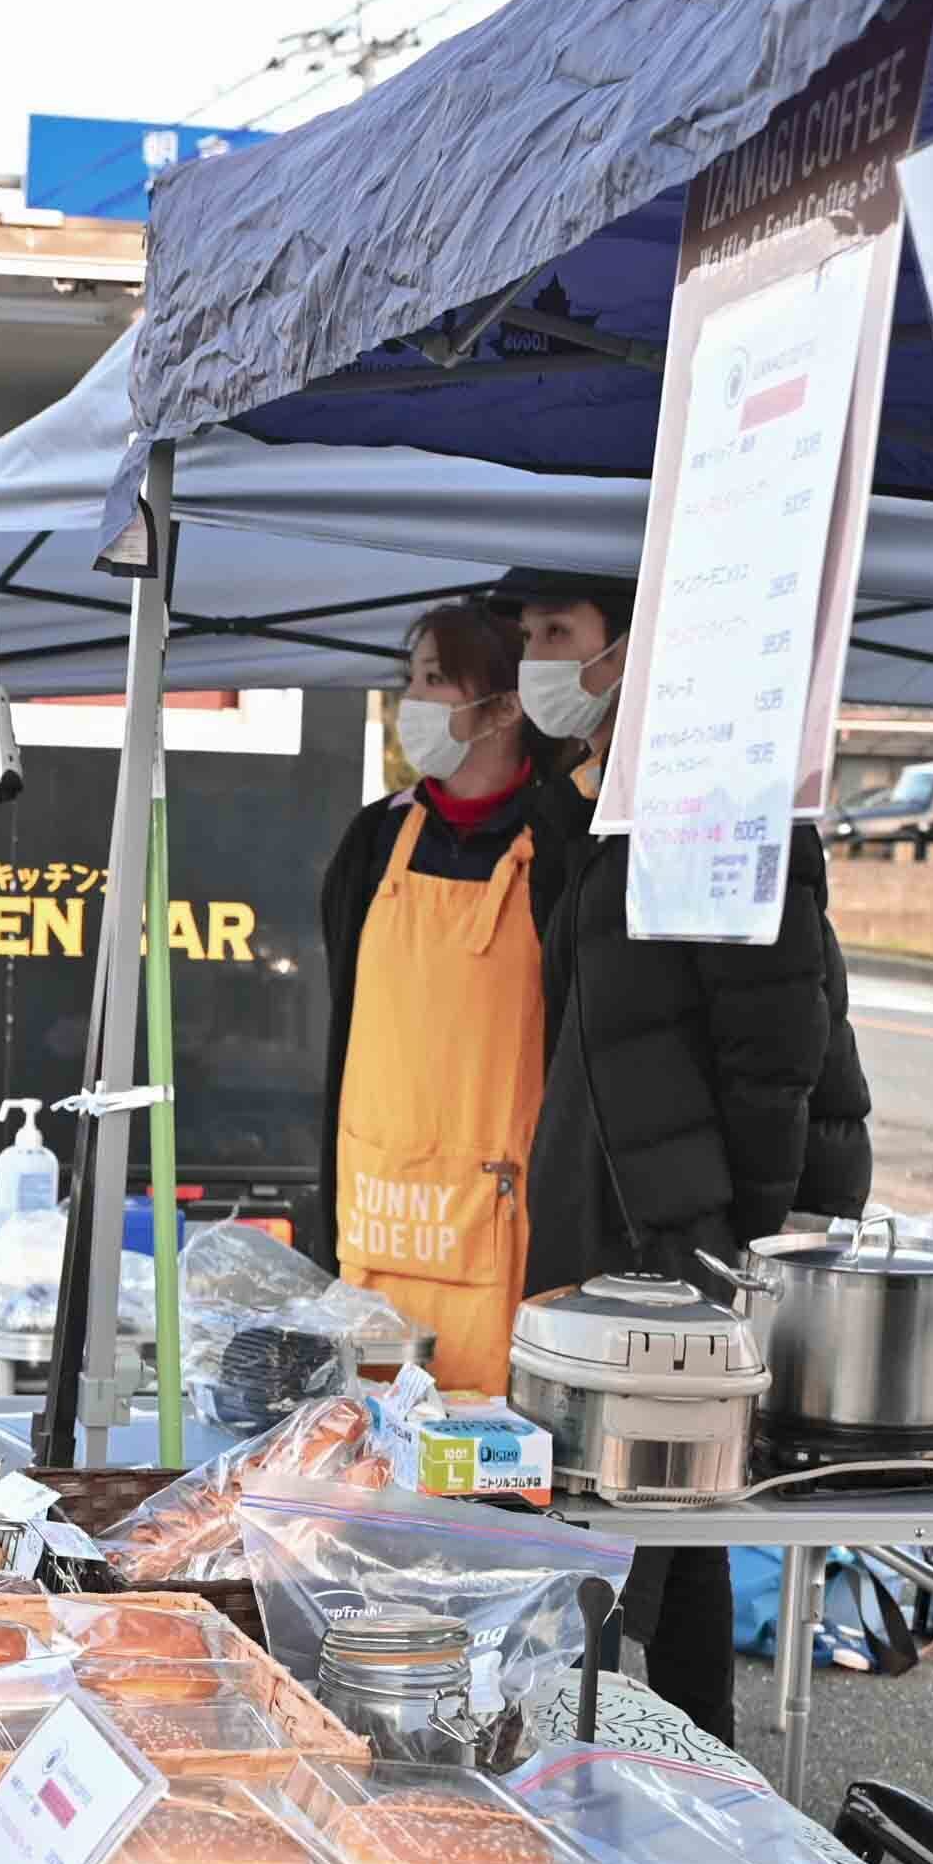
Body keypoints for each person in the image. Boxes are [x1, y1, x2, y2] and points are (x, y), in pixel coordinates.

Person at [499, 565, 874, 1742]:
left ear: (632, 650)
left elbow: (780, 1049)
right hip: (615, 1234)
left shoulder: (727, 803)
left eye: (558, 632)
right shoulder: (604, 806)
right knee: (667, 1538)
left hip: (676, 1253)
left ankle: (629, 1778)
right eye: (527, 635)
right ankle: (686, 1765)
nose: (536, 659)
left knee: (631, 1559)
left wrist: (726, 1247)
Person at [313, 598, 584, 1404]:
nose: (413, 701)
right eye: (412, 679)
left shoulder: (563, 846)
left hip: (504, 1226)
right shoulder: (374, 841)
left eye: (434, 680)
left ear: (503, 709)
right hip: (377, 1209)